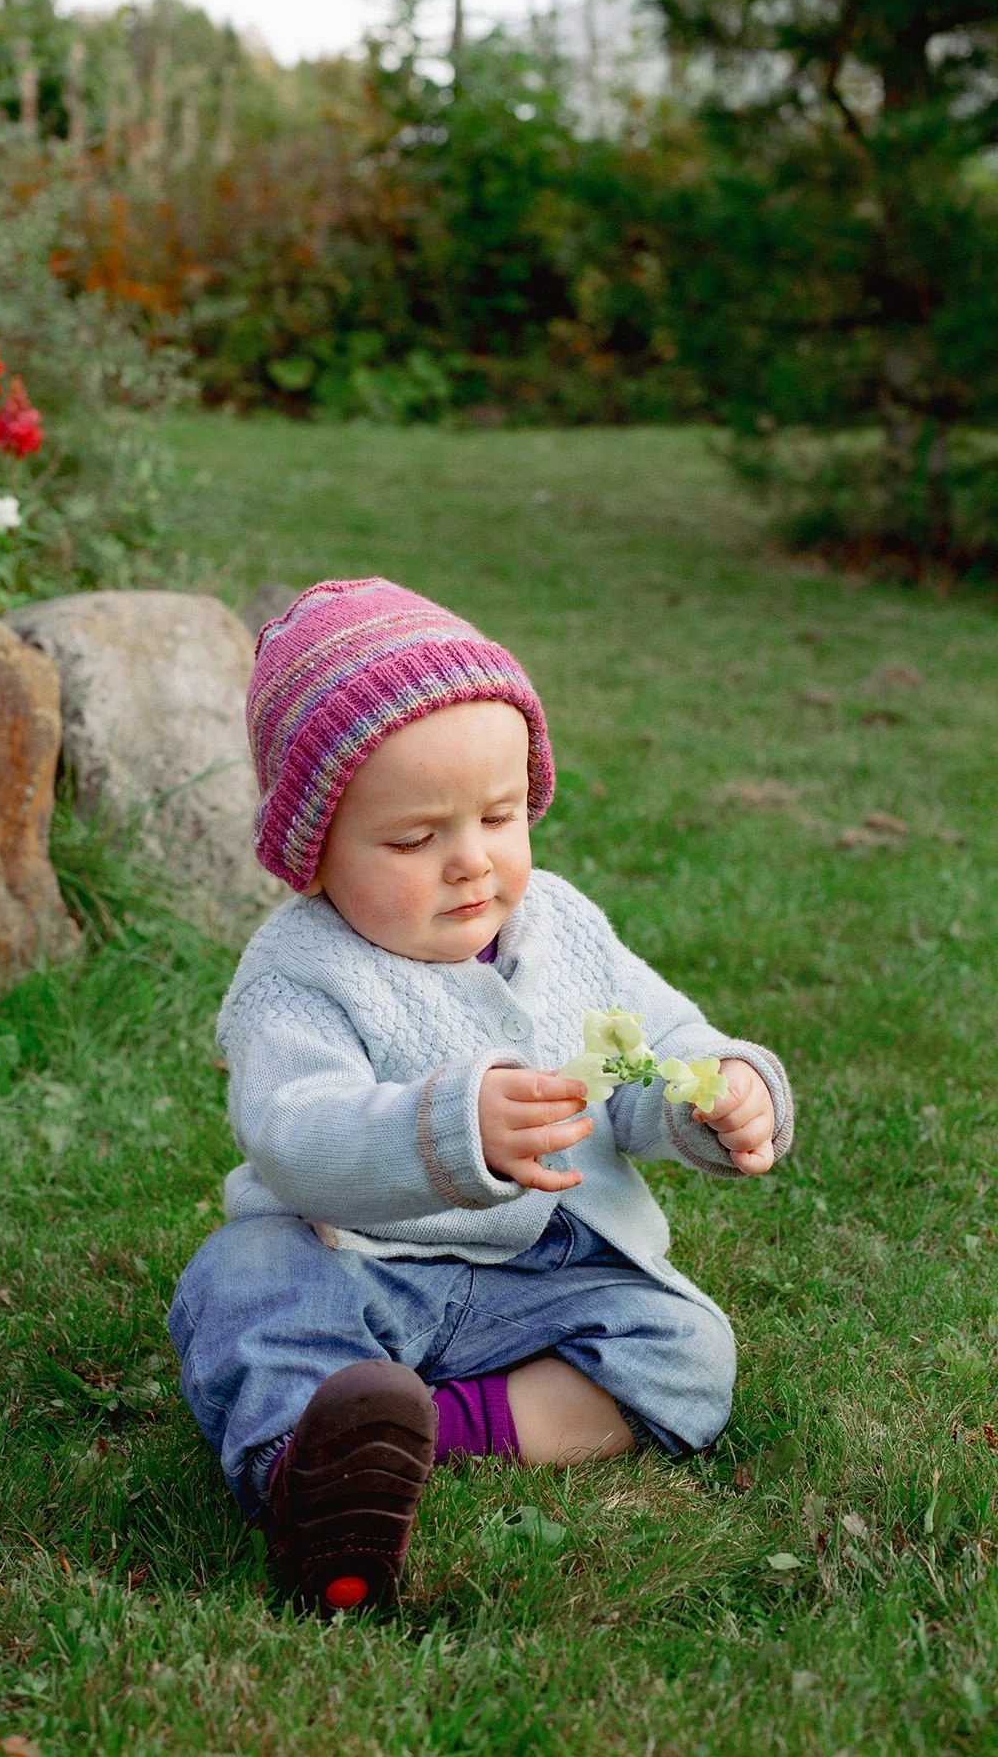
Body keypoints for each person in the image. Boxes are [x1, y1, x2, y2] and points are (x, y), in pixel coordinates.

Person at [169, 577, 793, 1617]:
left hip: (545, 1279)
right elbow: (293, 1135)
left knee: (690, 1356)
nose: (470, 863)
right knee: (241, 1283)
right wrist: (449, 1130)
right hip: (355, 1264)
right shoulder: (298, 973)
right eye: (414, 840)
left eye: (501, 817)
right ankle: (303, 1470)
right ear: (312, 853)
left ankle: (428, 1434)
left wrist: (716, 1094)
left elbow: (656, 1050)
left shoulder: (561, 925)